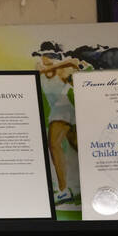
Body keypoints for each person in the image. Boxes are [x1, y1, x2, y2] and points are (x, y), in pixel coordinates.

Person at [32, 42, 84, 204]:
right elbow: (40, 69)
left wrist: (70, 65)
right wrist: (65, 61)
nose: (47, 58)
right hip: (58, 112)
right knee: (77, 147)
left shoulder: (62, 70)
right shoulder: (42, 69)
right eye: (45, 55)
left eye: (51, 56)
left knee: (53, 144)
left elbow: (75, 77)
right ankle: (77, 187)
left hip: (64, 111)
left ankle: (63, 190)